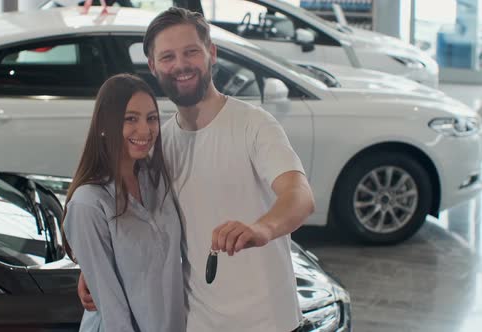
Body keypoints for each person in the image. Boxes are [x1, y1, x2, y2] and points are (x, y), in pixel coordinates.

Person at [79, 7, 315, 332]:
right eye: (167, 57)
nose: (180, 65)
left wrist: (263, 228)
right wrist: (96, 265)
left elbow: (299, 195)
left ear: (211, 53)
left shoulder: (253, 124)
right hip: (197, 322)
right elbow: (134, 219)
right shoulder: (160, 142)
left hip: (267, 321)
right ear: (153, 66)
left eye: (191, 52)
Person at [62, 73, 186, 332]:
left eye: (151, 118)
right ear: (104, 125)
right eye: (131, 119)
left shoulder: (157, 179)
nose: (145, 130)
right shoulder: (88, 204)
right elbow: (111, 307)